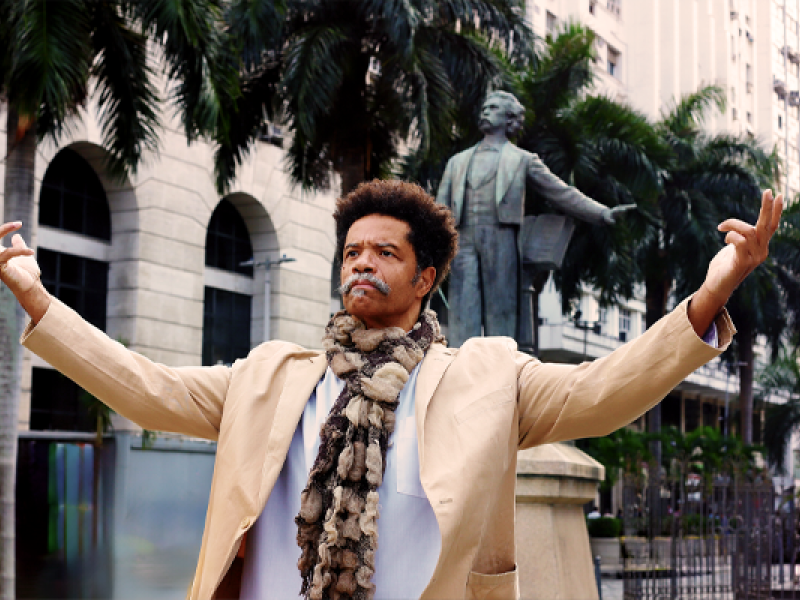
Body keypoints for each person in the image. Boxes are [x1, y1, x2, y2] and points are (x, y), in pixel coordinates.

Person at [0, 180, 782, 599]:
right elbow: (146, 388)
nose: (360, 264)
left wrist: (707, 299)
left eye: (383, 251)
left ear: (426, 276)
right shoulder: (273, 377)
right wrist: (41, 303)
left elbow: (603, 391)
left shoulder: (486, 377)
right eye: (351, 252)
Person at [436, 91, 631, 347]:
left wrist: (602, 213)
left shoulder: (522, 160)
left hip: (502, 237)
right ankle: (461, 370)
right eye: (484, 107)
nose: (485, 111)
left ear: (509, 120)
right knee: (463, 309)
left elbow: (561, 193)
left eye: (493, 108)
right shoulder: (457, 162)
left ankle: (500, 368)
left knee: (501, 312)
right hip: (464, 239)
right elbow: (438, 209)